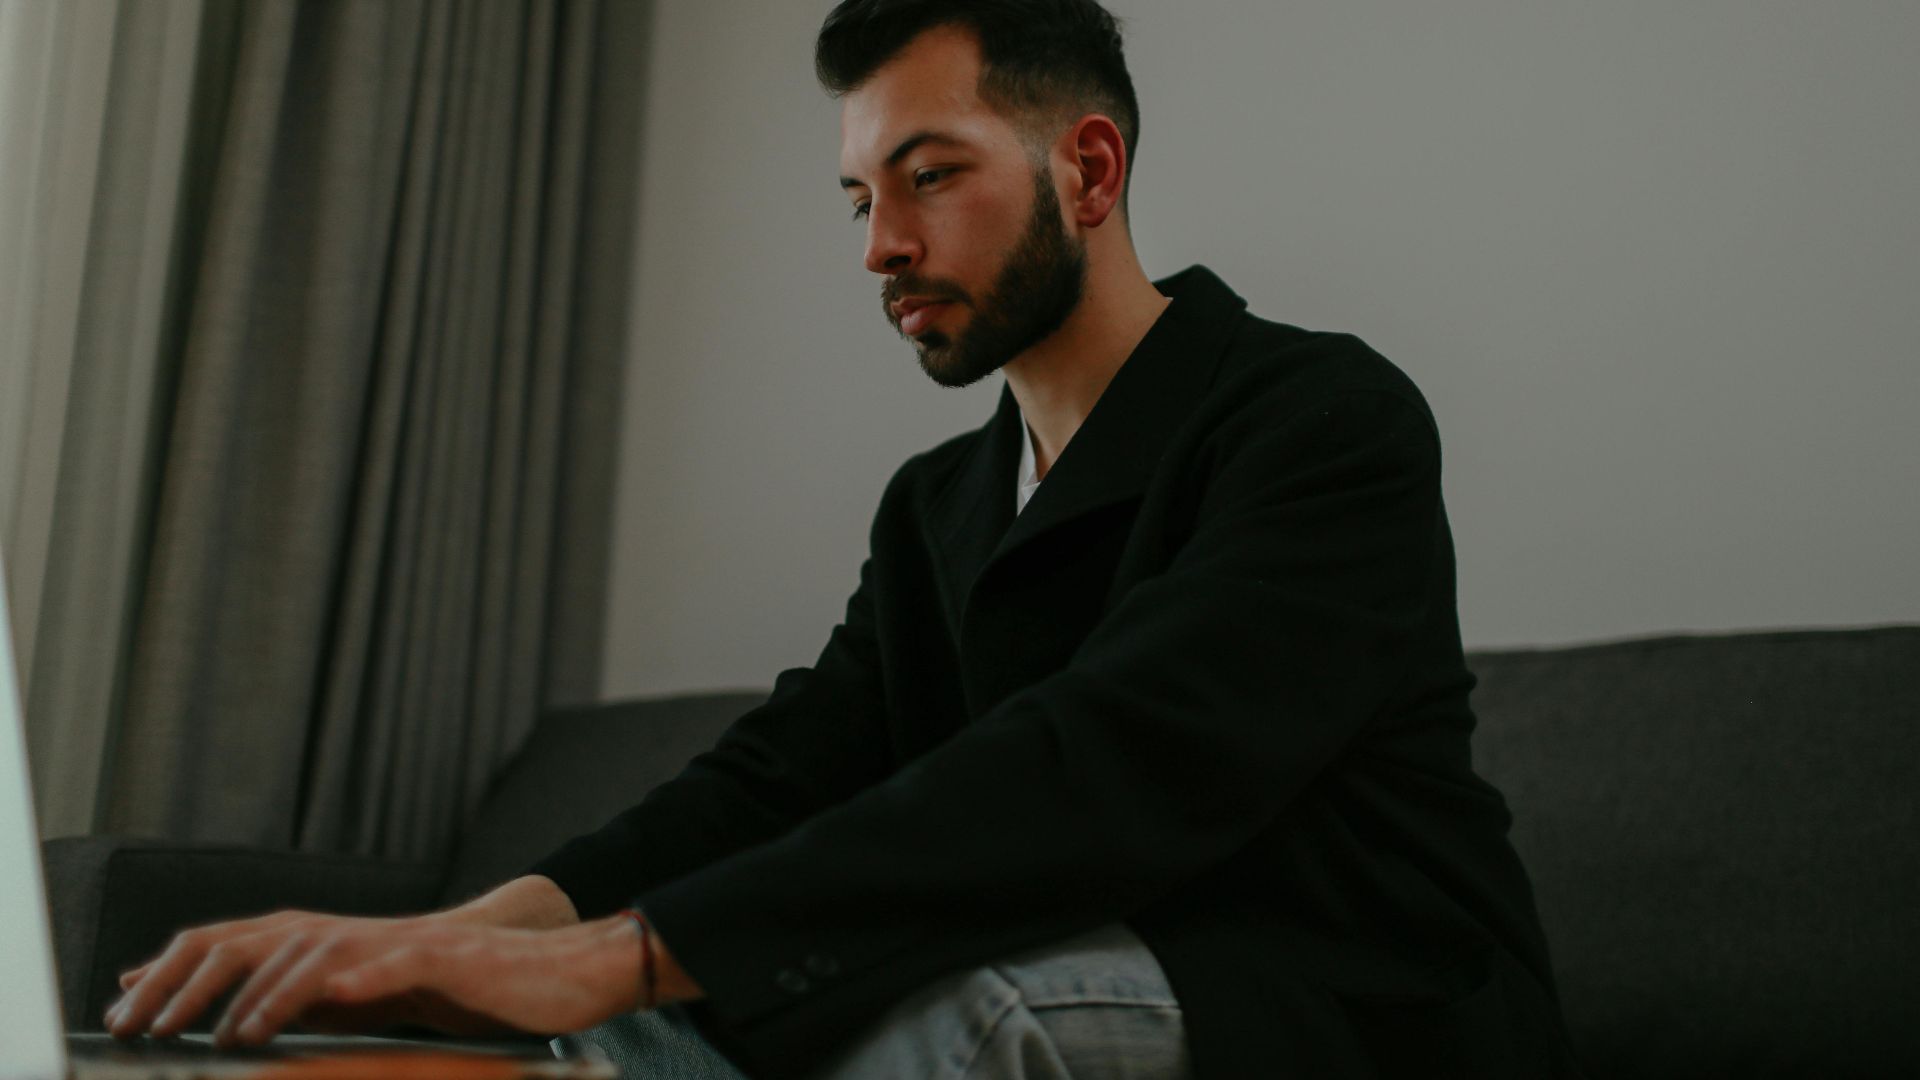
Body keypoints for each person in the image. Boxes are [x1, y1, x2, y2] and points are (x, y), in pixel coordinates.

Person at [103, 1, 1582, 1077]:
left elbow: (1100, 765)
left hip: (1362, 1008)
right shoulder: (941, 502)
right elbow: (780, 773)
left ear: (1088, 170)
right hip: (1062, 956)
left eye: (931, 177)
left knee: (962, 1022)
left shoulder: (1321, 419)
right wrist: (486, 927)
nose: (880, 244)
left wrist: (606, 959)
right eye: (861, 197)